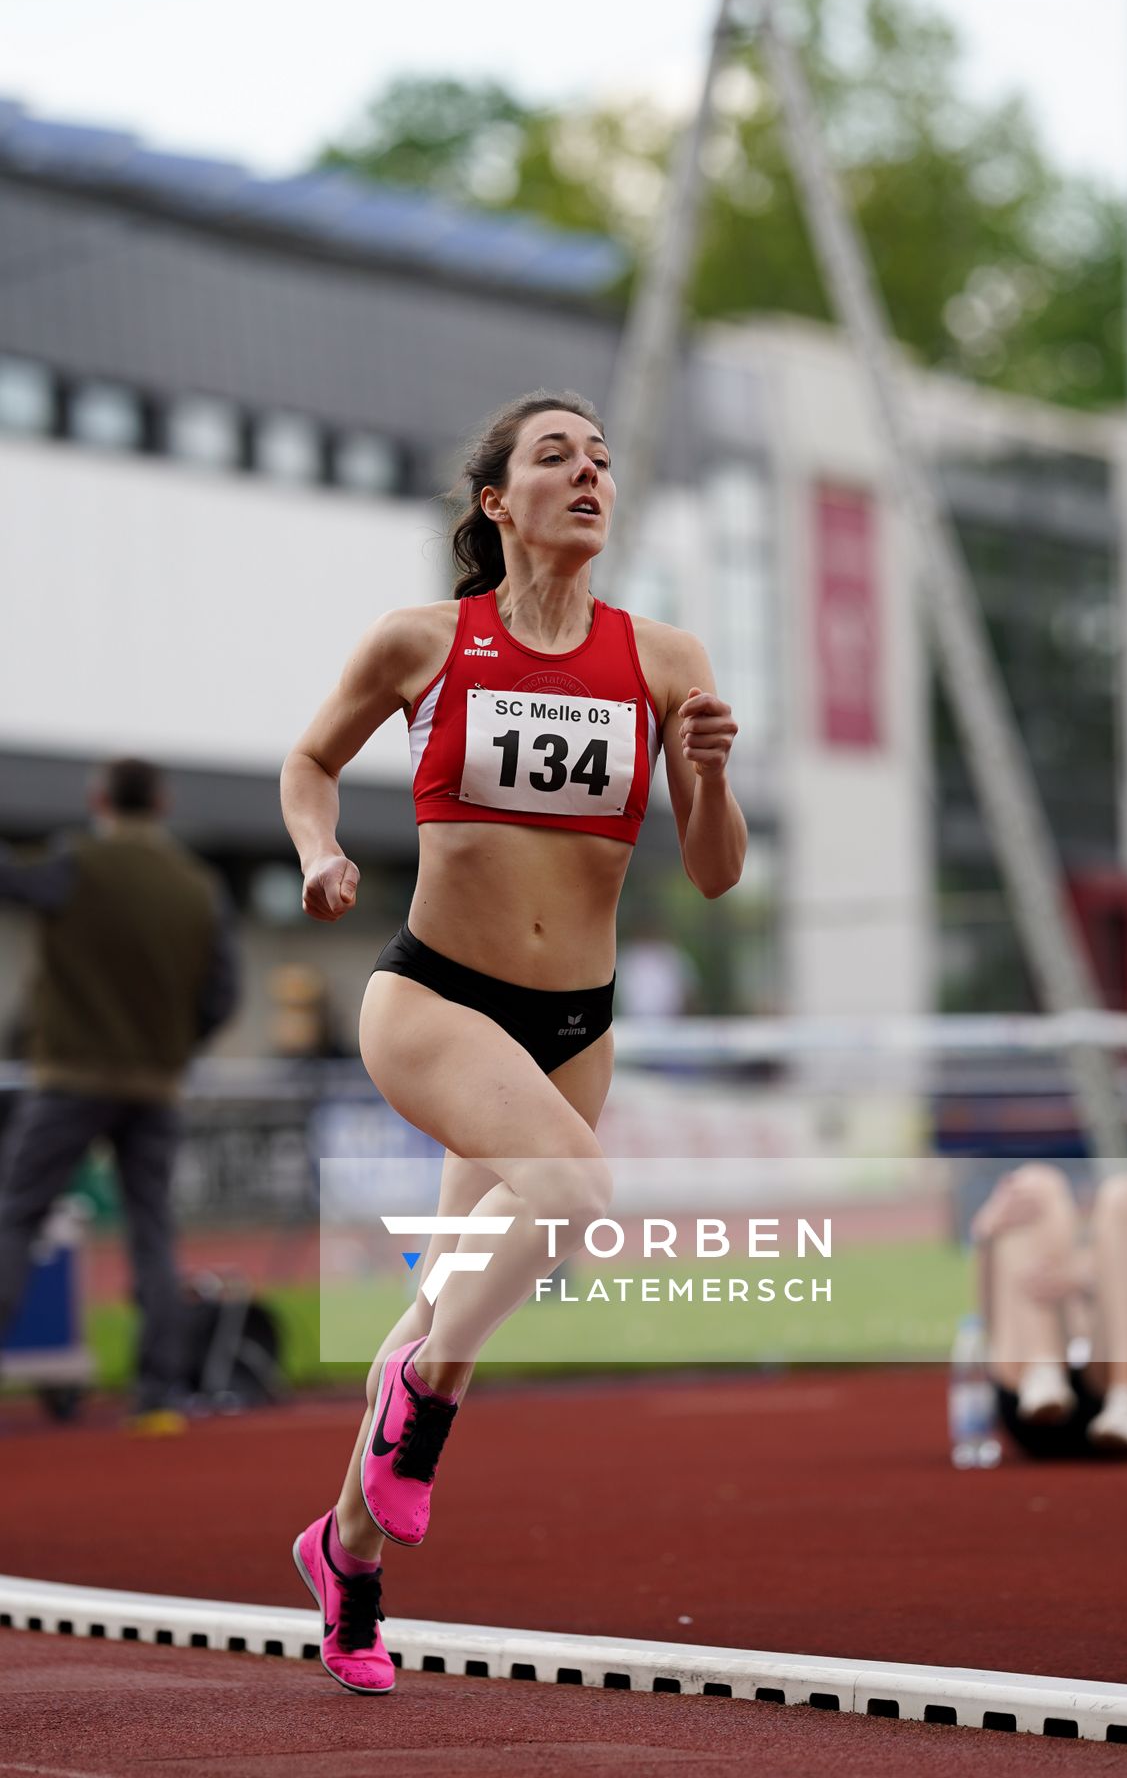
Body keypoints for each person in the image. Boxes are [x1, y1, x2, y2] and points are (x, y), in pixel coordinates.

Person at [280, 389, 745, 1694]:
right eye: (557, 457)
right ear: (499, 501)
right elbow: (308, 762)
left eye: (601, 459)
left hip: (573, 1023)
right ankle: (415, 1411)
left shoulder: (665, 657)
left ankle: (346, 1557)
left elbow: (713, 875)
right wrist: (319, 856)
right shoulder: (425, 641)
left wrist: (704, 773)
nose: (589, 473)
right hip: (433, 1000)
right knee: (576, 1192)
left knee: (454, 1299)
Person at [0, 757, 240, 1427]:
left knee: (18, 1215)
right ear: (161, 802)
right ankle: (159, 1395)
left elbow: (14, 881)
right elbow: (225, 994)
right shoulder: (198, 886)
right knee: (151, 1230)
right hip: (156, 1083)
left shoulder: (75, 862)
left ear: (99, 799)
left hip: (70, 1076)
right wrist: (175, 1046)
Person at [971, 1161, 1127, 1460]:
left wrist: (1089, 1279)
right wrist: (987, 1236)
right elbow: (990, 1317)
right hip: (1027, 1392)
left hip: (1122, 1391)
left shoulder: (1111, 1268)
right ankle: (1043, 1370)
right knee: (1032, 1185)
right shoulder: (1035, 1262)